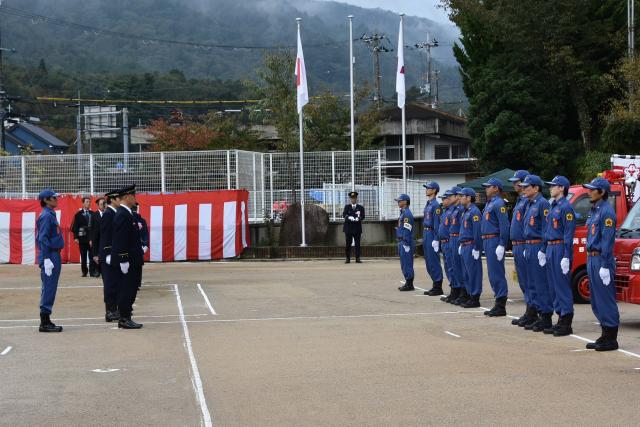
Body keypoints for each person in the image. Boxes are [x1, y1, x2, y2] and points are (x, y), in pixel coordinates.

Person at [583, 177, 620, 351]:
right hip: (592, 258)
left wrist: (605, 264)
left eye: (592, 189)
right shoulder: (594, 210)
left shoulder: (606, 212)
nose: (588, 191)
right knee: (596, 300)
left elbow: (607, 240)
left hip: (601, 259)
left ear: (602, 192)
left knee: (605, 298)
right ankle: (605, 334)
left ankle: (611, 338)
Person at [542, 176, 576, 336]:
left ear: (561, 188)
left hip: (560, 248)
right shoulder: (553, 206)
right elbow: (547, 231)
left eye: (553, 186)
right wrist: (543, 249)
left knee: (562, 286)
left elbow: (568, 233)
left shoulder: (566, 207)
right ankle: (560, 317)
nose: (550, 188)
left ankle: (566, 321)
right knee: (553, 285)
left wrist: (566, 256)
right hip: (550, 247)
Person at [520, 175, 553, 332]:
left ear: (536, 188)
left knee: (540, 283)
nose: (524, 189)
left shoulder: (542, 203)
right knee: (532, 282)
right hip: (529, 245)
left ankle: (546, 316)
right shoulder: (529, 204)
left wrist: (543, 249)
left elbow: (546, 228)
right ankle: (538, 314)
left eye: (527, 186)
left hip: (538, 245)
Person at [112, 184, 144, 329]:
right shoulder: (122, 214)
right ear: (126, 197)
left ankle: (127, 316)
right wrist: (123, 259)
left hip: (133, 259)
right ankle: (124, 318)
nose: (135, 198)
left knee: (131, 288)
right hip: (128, 260)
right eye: (133, 196)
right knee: (127, 289)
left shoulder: (127, 213)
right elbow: (121, 239)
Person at [508, 170, 534, 326]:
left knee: (530, 281)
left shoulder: (527, 201)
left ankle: (533, 311)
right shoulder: (520, 200)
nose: (514, 184)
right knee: (523, 281)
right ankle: (529, 310)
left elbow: (528, 225)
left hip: (526, 244)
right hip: (518, 245)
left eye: (516, 181)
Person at [36, 189, 64, 333]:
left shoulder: (50, 214)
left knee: (49, 287)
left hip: (53, 254)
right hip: (50, 255)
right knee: (49, 287)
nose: (56, 199)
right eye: (53, 198)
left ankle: (46, 319)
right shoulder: (47, 215)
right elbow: (42, 238)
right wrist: (46, 258)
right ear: (46, 200)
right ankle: (44, 321)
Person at [481, 178, 510, 317]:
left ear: (496, 188)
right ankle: (498, 302)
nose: (486, 189)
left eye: (488, 187)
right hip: (488, 240)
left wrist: (502, 244)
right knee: (492, 273)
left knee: (497, 273)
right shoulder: (489, 204)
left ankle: (501, 304)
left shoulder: (499, 204)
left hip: (494, 240)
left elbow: (504, 226)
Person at [457, 187, 483, 308]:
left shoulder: (474, 212)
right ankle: (469, 295)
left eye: (462, 196)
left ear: (468, 198)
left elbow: (477, 231)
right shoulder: (466, 211)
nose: (460, 198)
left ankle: (475, 297)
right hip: (464, 245)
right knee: (466, 273)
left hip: (471, 245)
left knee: (473, 273)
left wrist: (477, 247)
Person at [99, 190, 121, 322]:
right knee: (109, 284)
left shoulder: (114, 213)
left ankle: (114, 309)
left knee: (114, 283)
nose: (120, 200)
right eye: (118, 198)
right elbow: (105, 235)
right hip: (109, 254)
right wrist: (107, 253)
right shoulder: (108, 214)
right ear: (112, 200)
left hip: (113, 254)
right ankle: (110, 311)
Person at [422, 182, 444, 296]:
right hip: (426, 232)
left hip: (431, 233)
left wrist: (436, 238)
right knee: (428, 260)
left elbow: (437, 223)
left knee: (433, 260)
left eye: (429, 188)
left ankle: (438, 285)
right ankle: (434, 283)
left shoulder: (436, 205)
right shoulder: (428, 204)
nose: (427, 190)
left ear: (434, 190)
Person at [448, 187, 468, 305]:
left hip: (458, 238)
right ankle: (457, 291)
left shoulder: (461, 210)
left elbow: (463, 227)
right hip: (452, 237)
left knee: (461, 268)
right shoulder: (455, 210)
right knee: (454, 267)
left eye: (452, 195)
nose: (449, 198)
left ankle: (463, 292)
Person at [436, 190, 456, 301]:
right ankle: (453, 290)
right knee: (448, 268)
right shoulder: (446, 211)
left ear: (450, 199)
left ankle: (455, 291)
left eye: (444, 198)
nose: (442, 201)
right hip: (444, 242)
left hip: (449, 241)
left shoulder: (453, 211)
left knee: (452, 268)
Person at [71, 197, 97, 277]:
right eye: (86, 202)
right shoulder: (78, 214)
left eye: (89, 202)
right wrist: (76, 237)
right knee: (83, 256)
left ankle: (92, 271)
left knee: (92, 255)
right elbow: (75, 227)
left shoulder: (93, 214)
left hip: (91, 238)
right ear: (83, 203)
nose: (88, 203)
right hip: (82, 239)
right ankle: (84, 271)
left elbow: (95, 227)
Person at [396, 194, 416, 292]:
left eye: (400, 201)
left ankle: (409, 283)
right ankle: (407, 282)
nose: (398, 202)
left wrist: (406, 243)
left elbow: (407, 229)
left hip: (405, 242)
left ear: (405, 202)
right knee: (404, 263)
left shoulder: (407, 214)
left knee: (407, 263)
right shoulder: (403, 213)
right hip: (401, 241)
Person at [342, 191, 365, 264]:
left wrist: (359, 218)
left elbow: (363, 216)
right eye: (352, 198)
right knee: (348, 244)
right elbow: (344, 215)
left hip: (357, 228)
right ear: (350, 199)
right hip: (348, 228)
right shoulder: (347, 207)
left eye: (354, 198)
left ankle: (357, 258)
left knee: (357, 244)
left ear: (356, 199)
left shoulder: (360, 207)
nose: (353, 200)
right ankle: (347, 258)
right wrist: (349, 217)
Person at [132, 202, 149, 290]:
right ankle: (137, 283)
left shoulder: (141, 220)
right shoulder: (142, 220)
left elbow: (145, 233)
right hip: (139, 246)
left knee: (134, 265)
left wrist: (145, 245)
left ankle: (134, 283)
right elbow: (145, 234)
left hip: (133, 246)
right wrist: (145, 245)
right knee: (138, 265)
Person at [90, 197, 107, 279]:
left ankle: (104, 270)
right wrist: (91, 239)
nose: (103, 206)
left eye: (104, 204)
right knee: (96, 254)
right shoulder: (94, 215)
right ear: (98, 205)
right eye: (101, 204)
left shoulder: (108, 214)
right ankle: (97, 270)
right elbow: (91, 228)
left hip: (106, 238)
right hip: (97, 238)